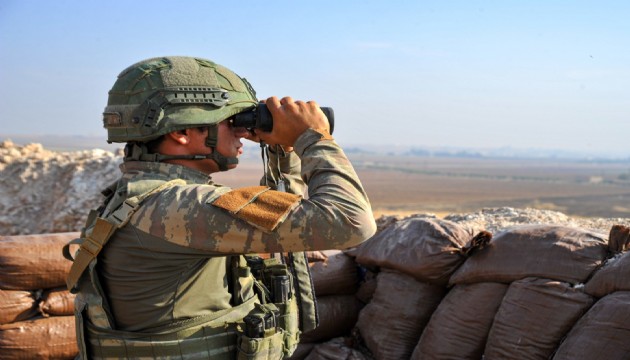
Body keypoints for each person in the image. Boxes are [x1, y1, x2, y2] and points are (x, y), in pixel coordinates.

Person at [64, 56, 376, 359]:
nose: (242, 130)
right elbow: (351, 221)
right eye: (231, 120)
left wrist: (285, 153)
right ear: (181, 132)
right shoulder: (175, 207)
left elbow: (281, 218)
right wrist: (313, 138)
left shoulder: (147, 197)